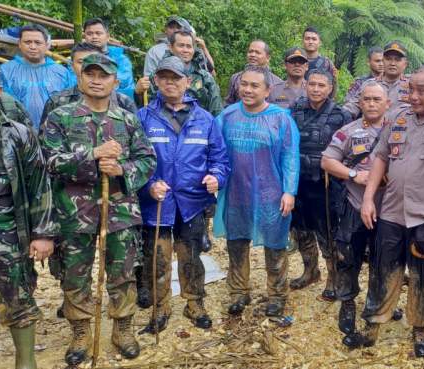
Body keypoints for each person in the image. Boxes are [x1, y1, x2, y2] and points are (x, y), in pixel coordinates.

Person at [40, 54, 156, 366]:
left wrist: (121, 169)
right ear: (79, 78)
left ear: (115, 82)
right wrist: (91, 154)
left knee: (122, 274)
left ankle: (123, 328)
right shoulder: (60, 117)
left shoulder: (127, 120)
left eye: (103, 75)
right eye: (89, 73)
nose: (96, 79)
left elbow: (147, 160)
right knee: (75, 276)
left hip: (119, 212)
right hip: (74, 214)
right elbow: (47, 162)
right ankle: (80, 331)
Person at [356, 65, 424, 357]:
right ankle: (374, 324)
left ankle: (419, 329)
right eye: (410, 89)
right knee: (384, 270)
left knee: (421, 276)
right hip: (392, 211)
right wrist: (368, 199)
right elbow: (379, 157)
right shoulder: (397, 117)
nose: (414, 96)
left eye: (422, 90)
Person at [136, 56, 229, 334]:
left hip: (192, 202)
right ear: (156, 81)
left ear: (187, 82)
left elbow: (220, 159)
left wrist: (216, 177)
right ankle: (160, 306)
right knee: (158, 258)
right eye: (164, 77)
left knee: (191, 256)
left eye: (176, 77)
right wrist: (149, 183)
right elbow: (133, 159)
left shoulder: (206, 119)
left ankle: (194, 303)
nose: (170, 82)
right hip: (157, 204)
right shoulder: (143, 117)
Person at [214, 66, 299, 318]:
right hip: (236, 192)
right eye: (244, 84)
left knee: (275, 246)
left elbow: (290, 157)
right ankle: (239, 292)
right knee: (236, 244)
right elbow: (215, 152)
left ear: (267, 90)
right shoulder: (227, 116)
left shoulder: (281, 118)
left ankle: (277, 295)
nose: (248, 90)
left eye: (254, 86)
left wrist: (289, 191)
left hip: (270, 195)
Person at [320, 80, 389, 347]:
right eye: (367, 99)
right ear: (359, 103)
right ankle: (347, 302)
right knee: (348, 257)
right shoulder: (348, 131)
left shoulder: (399, 131)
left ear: (387, 104)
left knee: (384, 261)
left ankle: (379, 303)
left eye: (377, 100)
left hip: (388, 209)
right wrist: (353, 174)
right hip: (355, 205)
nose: (371, 104)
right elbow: (327, 160)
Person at [0, 84, 56, 369]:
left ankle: (25, 362)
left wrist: (43, 233)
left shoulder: (17, 133)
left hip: (7, 230)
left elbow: (38, 184)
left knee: (16, 296)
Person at [289, 69, 351, 300]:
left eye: (321, 85)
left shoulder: (341, 115)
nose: (316, 89)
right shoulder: (294, 110)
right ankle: (310, 270)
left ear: (330, 88)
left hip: (326, 183)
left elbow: (348, 151)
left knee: (327, 232)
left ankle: (333, 277)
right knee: (302, 230)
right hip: (298, 180)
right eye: (312, 84)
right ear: (306, 85)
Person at [41, 43, 138, 125]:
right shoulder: (56, 101)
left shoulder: (123, 102)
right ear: (72, 65)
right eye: (81, 62)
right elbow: (45, 143)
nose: (85, 66)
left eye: (93, 61)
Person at [0, 25, 69, 130]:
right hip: (16, 132)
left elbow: (70, 105)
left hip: (54, 133)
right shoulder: (5, 71)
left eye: (38, 42)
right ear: (19, 44)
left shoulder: (62, 72)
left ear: (46, 45)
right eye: (27, 42)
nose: (32, 46)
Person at [138, 31, 222, 116]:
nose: (185, 50)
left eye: (189, 46)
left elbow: (217, 112)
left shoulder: (205, 77)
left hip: (198, 125)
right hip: (163, 124)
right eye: (181, 45)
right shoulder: (158, 75)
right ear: (170, 47)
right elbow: (145, 108)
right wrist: (138, 93)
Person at [342, 40, 410, 119]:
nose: (392, 63)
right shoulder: (369, 84)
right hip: (371, 129)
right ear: (383, 61)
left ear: (405, 64)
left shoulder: (413, 85)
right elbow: (353, 106)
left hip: (401, 129)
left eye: (397, 60)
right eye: (388, 59)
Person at [79, 18, 135, 98]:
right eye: (89, 33)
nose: (94, 37)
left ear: (107, 36)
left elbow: (124, 83)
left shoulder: (121, 59)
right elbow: (74, 82)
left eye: (98, 33)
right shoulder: (78, 58)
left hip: (117, 104)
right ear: (84, 36)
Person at [143, 16, 215, 77]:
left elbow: (211, 71)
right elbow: (149, 78)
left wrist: (203, 47)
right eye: (171, 27)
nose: (175, 30)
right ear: (165, 30)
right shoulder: (155, 51)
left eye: (178, 27)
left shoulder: (193, 50)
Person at [225, 40, 283, 105]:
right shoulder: (235, 78)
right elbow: (228, 104)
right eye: (250, 52)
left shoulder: (278, 83)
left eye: (257, 53)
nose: (253, 55)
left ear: (268, 58)